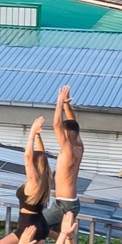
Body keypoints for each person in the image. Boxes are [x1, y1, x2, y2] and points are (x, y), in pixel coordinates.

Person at [0, 117, 52, 244]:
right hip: (39, 223)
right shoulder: (44, 179)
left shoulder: (34, 182)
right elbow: (42, 155)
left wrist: (32, 134)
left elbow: (28, 157)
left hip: (28, 226)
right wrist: (38, 136)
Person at [42, 86, 84, 230]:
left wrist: (59, 102)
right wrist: (66, 104)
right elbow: (73, 121)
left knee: (36, 225)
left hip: (64, 203)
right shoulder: (79, 146)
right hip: (69, 201)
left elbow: (56, 125)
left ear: (66, 136)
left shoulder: (68, 150)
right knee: (60, 235)